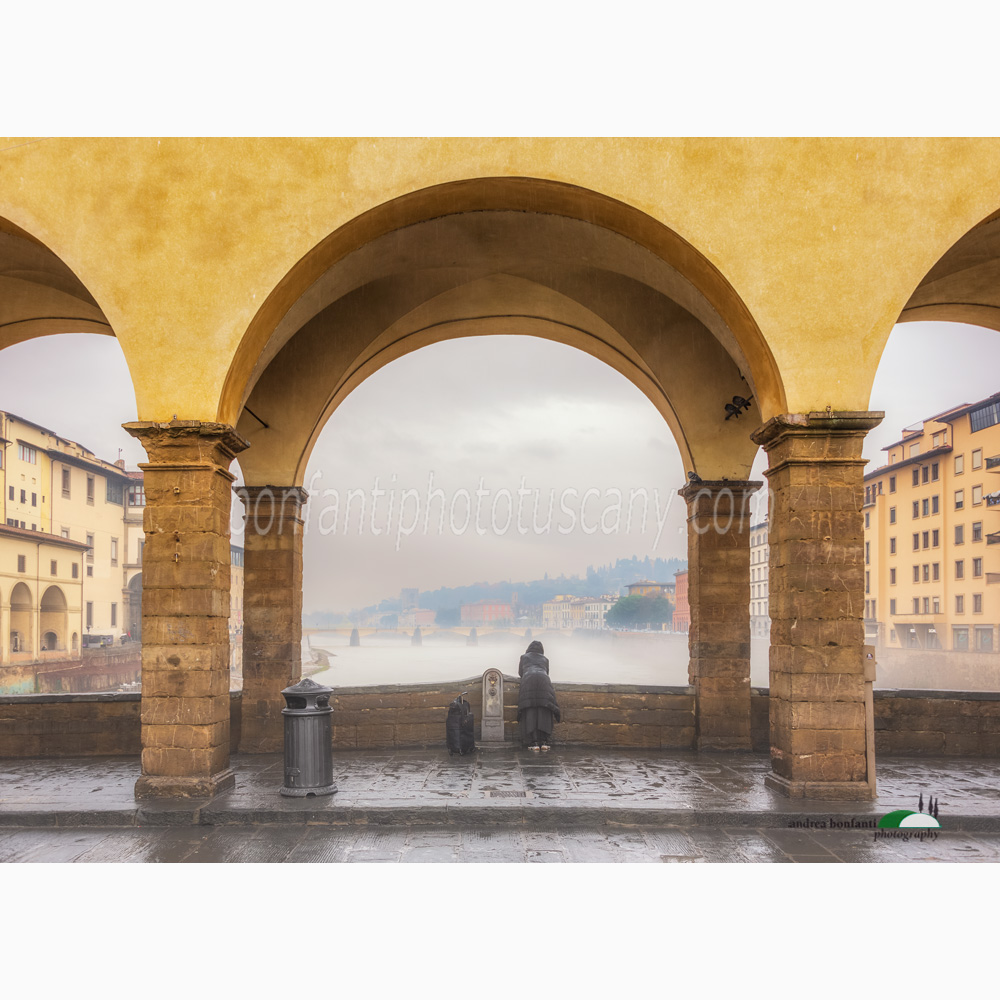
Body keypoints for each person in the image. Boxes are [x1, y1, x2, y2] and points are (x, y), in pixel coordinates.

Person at [517, 640, 560, 751]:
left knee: (530, 711)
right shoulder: (545, 659)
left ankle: (534, 743)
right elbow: (547, 672)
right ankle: (544, 742)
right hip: (544, 681)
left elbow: (520, 673)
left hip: (528, 681)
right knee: (544, 710)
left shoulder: (524, 657)